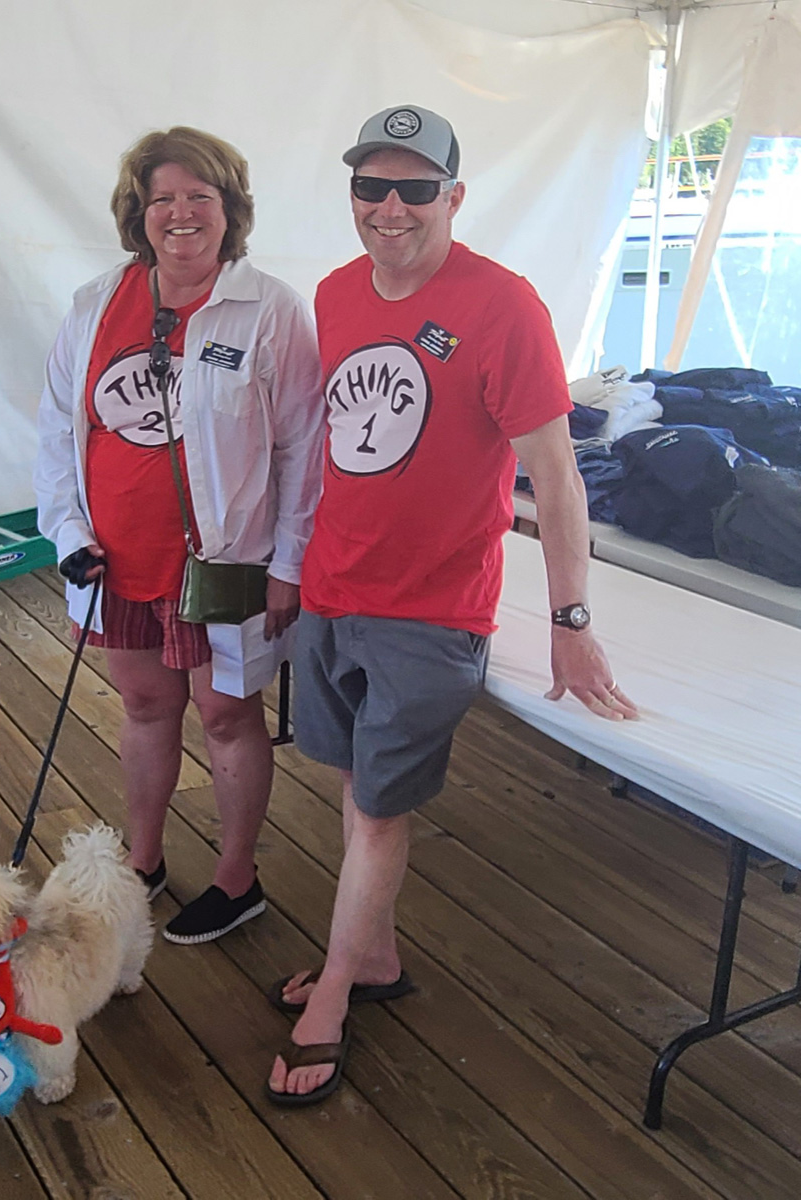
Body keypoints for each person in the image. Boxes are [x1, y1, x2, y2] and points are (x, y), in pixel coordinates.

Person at [265, 104, 639, 1106]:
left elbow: (556, 476)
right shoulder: (336, 294)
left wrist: (571, 622)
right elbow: (335, 441)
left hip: (430, 615)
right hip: (335, 589)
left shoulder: (503, 305)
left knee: (380, 811)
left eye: (415, 189)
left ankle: (336, 990)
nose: (389, 208)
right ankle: (375, 956)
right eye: (370, 187)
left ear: (454, 197)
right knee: (355, 785)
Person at [36, 126, 325, 945]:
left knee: (227, 716)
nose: (181, 212)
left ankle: (237, 878)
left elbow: (304, 446)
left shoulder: (270, 308)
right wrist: (65, 530)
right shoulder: (95, 304)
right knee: (144, 704)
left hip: (227, 562)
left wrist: (291, 562)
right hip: (116, 559)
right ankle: (145, 860)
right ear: (138, 213)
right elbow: (57, 428)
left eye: (201, 195)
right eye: (161, 197)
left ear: (231, 210)